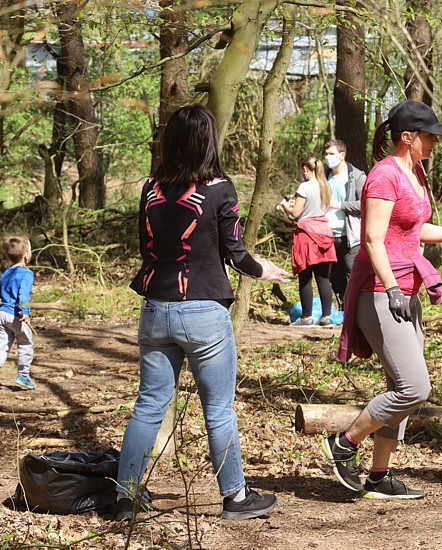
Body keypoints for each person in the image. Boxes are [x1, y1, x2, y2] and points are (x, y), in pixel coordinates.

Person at [116, 104, 288, 522]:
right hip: (204, 314)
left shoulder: (150, 188)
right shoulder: (219, 188)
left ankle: (125, 498)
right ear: (208, 141)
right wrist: (264, 270)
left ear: (170, 141)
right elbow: (234, 251)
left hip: (155, 309)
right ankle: (235, 497)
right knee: (219, 408)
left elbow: (148, 249)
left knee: (148, 405)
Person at [322, 100, 442, 499]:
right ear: (407, 137)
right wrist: (394, 288)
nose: (435, 142)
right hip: (381, 292)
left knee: (399, 387)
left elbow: (415, 230)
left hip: (405, 291)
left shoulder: (414, 171)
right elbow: (373, 239)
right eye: (430, 136)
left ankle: (379, 475)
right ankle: (344, 443)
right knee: (414, 388)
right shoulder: (383, 177)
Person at [279, 156, 337, 327]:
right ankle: (326, 317)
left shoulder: (304, 187)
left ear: (305, 168)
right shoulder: (325, 186)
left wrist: (284, 206)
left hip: (307, 234)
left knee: (305, 276)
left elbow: (296, 213)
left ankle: (306, 317)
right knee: (323, 278)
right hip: (324, 233)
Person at [0, 235, 36, 394]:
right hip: (16, 316)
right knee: (25, 343)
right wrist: (24, 312)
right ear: (26, 255)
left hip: (2, 314)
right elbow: (23, 294)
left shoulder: (6, 273)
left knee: (1, 346)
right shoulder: (26, 273)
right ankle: (23, 375)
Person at [324, 139, 367, 308]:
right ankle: (342, 309)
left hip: (351, 236)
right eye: (326, 154)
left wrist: (339, 205)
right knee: (333, 277)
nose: (328, 157)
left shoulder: (357, 176)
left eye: (331, 154)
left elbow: (364, 205)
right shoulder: (324, 175)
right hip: (327, 235)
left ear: (342, 155)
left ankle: (354, 312)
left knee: (352, 274)